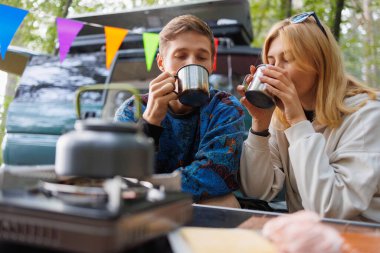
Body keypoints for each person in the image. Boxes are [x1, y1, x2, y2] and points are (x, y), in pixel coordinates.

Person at [237, 11, 380, 222]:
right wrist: (260, 124)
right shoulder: (282, 118)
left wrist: (298, 122)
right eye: (270, 61)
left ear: (319, 63)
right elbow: (257, 190)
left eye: (286, 59)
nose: (274, 71)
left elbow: (330, 209)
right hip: (309, 239)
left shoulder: (367, 115)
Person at [115, 15, 245, 204]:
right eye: (180, 56)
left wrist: (150, 187)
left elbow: (216, 175)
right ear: (161, 63)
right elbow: (121, 173)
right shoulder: (132, 109)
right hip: (143, 205)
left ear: (211, 64)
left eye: (201, 57)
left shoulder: (224, 107)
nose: (192, 63)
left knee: (226, 201)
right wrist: (150, 123)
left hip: (191, 203)